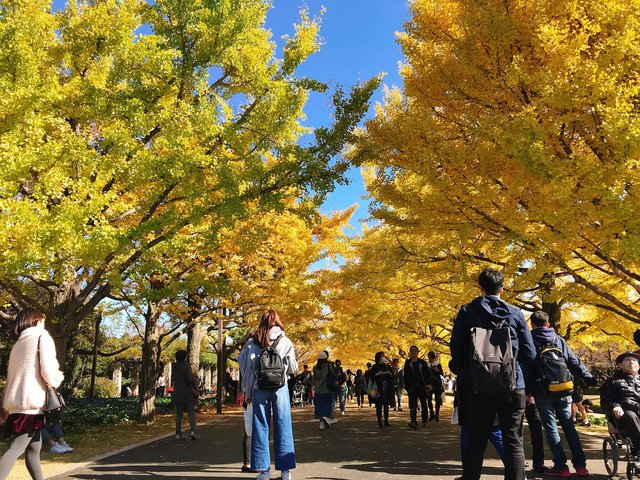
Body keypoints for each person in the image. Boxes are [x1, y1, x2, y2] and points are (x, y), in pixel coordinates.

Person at [450, 268, 536, 480]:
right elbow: (530, 352)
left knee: (475, 441)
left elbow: (456, 349)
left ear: (480, 287)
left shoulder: (467, 311)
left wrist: (465, 371)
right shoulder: (515, 314)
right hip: (512, 386)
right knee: (513, 441)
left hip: (478, 387)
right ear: (502, 287)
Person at [528, 310, 595, 477]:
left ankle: (561, 467)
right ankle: (581, 466)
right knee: (569, 427)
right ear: (548, 324)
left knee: (551, 429)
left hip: (542, 391)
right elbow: (574, 361)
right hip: (564, 389)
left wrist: (526, 390)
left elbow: (526, 366)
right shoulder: (559, 340)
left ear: (532, 324)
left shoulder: (529, 340)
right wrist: (589, 377)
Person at [0, 307, 65, 480]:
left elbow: (11, 377)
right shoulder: (42, 336)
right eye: (42, 319)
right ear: (36, 321)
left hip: (16, 403)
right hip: (31, 403)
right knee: (17, 447)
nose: (44, 323)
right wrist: (56, 380)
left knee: (33, 449)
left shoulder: (18, 344)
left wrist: (5, 407)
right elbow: (48, 369)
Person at [242, 310, 297, 480]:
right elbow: (293, 368)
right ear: (277, 322)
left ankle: (264, 471)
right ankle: (285, 472)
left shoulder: (254, 342)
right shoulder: (285, 341)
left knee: (260, 429)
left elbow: (249, 370)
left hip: (259, 389)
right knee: (284, 427)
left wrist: (248, 392)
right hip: (280, 389)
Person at [600, 351, 640, 459]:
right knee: (630, 415)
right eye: (627, 359)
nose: (631, 361)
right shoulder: (612, 382)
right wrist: (615, 406)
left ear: (639, 365)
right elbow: (605, 401)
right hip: (624, 415)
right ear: (620, 365)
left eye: (635, 360)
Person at [238, 334, 261, 473]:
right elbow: (251, 374)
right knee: (255, 429)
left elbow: (243, 372)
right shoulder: (255, 349)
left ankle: (247, 462)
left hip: (247, 391)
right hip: (254, 392)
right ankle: (252, 462)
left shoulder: (243, 352)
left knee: (248, 429)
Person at [170, 350, 197, 441]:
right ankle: (192, 431)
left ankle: (178, 433)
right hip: (187, 392)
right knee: (191, 413)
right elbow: (189, 379)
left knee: (179, 414)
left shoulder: (174, 366)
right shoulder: (186, 366)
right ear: (185, 357)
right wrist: (194, 385)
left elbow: (173, 378)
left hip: (177, 392)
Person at [404, 346, 432, 429]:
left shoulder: (422, 362)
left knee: (424, 404)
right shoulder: (407, 363)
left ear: (417, 352)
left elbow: (427, 374)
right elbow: (405, 376)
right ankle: (413, 422)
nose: (413, 352)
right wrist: (407, 387)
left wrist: (429, 384)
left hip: (422, 386)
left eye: (414, 351)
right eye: (411, 351)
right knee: (412, 405)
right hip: (412, 387)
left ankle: (424, 420)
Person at [312, 352, 337, 429]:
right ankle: (326, 417)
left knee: (319, 405)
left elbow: (315, 377)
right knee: (327, 405)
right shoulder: (328, 366)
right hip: (326, 389)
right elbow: (333, 374)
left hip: (318, 389)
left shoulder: (315, 368)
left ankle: (321, 424)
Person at [371, 351, 394, 428]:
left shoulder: (387, 366)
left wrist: (389, 373)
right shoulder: (375, 367)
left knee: (386, 405)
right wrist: (378, 374)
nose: (383, 358)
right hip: (377, 389)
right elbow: (371, 377)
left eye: (384, 356)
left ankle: (386, 420)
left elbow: (393, 377)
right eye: (382, 356)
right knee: (378, 405)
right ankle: (379, 421)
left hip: (387, 389)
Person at [426, 351, 444, 421]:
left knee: (438, 400)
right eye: (429, 358)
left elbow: (441, 373)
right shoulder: (426, 365)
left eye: (431, 358)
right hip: (429, 384)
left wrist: (437, 370)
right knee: (429, 400)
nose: (430, 359)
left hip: (437, 384)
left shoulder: (438, 364)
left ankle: (437, 414)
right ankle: (431, 414)